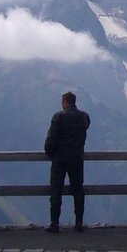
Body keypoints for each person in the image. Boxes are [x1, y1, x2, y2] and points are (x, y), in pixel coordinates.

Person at [43, 91, 91, 233]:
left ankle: (55, 223)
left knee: (56, 189)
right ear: (74, 101)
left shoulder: (59, 117)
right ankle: (79, 222)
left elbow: (51, 139)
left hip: (60, 158)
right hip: (77, 157)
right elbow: (86, 127)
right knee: (78, 190)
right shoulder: (84, 116)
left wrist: (50, 153)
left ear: (64, 102)